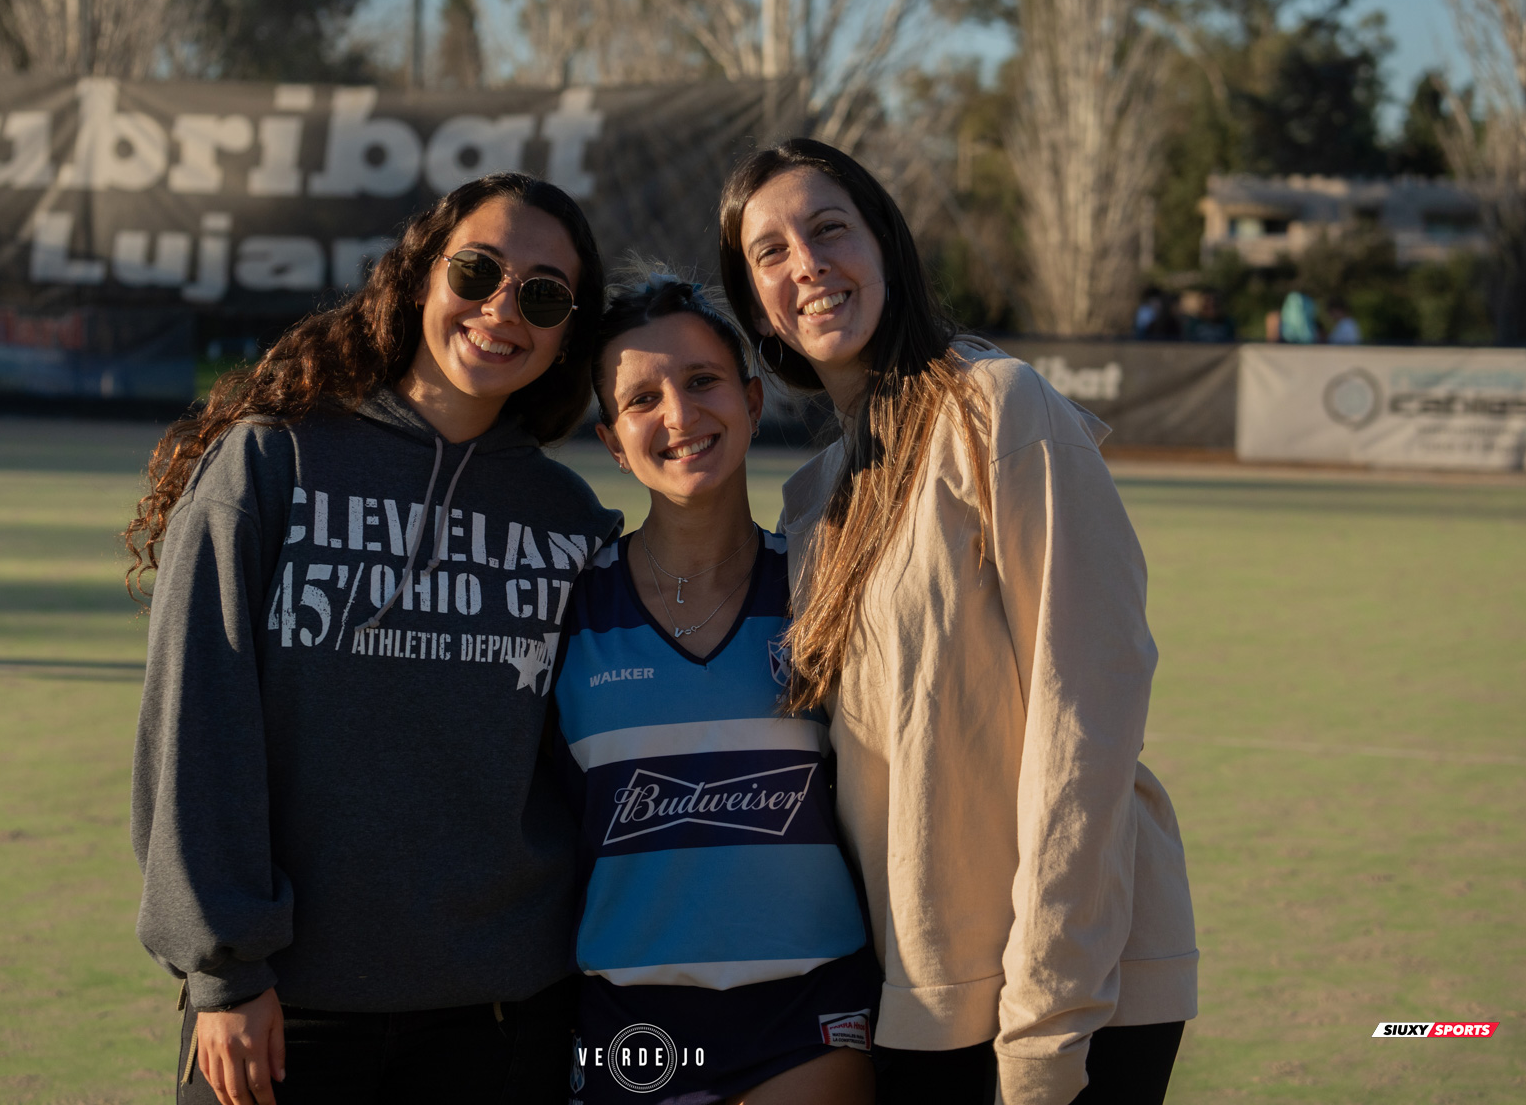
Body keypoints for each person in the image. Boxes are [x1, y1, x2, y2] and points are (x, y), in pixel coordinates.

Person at [125, 172, 623, 1105]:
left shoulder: (572, 520)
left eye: (544, 296)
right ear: (421, 276)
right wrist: (226, 970)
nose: (501, 308)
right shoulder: (273, 460)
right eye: (477, 271)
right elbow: (198, 723)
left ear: (567, 334)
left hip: (503, 1016)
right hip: (283, 1008)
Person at [717, 139, 1198, 1105]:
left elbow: (1087, 714)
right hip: (917, 989)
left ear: (885, 246)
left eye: (828, 229)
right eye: (770, 252)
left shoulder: (997, 408)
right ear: (757, 305)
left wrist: (1049, 1016)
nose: (806, 264)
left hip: (1061, 993)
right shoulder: (815, 499)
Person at [554, 274, 879, 1103]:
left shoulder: (821, 587)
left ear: (752, 400)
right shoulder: (570, 609)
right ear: (611, 440)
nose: (680, 415)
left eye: (702, 381)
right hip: (632, 1017)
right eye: (642, 399)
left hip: (808, 1005)